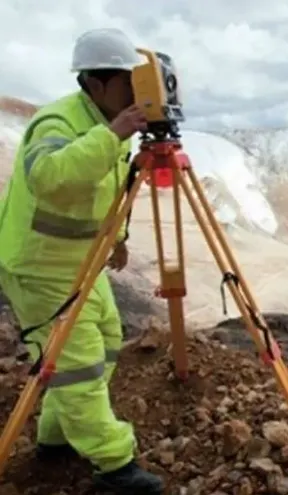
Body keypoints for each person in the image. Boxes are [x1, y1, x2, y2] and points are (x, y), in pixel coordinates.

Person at [0, 28, 163, 494]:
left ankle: (56, 438)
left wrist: (120, 238)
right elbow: (52, 178)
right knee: (78, 362)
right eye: (128, 82)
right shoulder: (58, 123)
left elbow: (106, 192)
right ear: (96, 84)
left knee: (108, 337)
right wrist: (112, 135)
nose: (137, 93)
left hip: (80, 265)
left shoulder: (110, 125)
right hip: (39, 267)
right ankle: (115, 465)